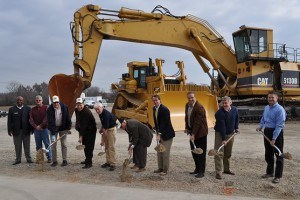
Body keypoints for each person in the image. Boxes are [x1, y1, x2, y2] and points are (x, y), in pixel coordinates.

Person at [256, 91, 286, 184]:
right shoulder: (266, 108)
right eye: (269, 97)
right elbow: (263, 119)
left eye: (272, 97)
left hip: (277, 133)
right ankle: (269, 172)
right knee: (268, 154)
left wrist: (274, 138)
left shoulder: (280, 110)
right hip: (267, 131)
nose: (270, 99)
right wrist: (261, 126)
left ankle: (278, 176)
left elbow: (279, 125)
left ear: (277, 98)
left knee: (278, 154)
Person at [214, 96, 239, 180]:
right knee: (219, 153)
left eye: (226, 103)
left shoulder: (235, 110)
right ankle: (218, 172)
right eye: (223, 103)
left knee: (228, 153)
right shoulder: (219, 113)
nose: (224, 105)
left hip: (231, 133)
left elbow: (236, 119)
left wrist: (236, 128)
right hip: (220, 134)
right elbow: (222, 127)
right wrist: (224, 139)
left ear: (230, 103)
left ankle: (226, 169)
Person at [185, 91, 208, 178]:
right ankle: (197, 169)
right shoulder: (187, 105)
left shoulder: (199, 107)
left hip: (200, 134)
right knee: (194, 152)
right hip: (192, 132)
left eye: (192, 97)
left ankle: (201, 172)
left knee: (201, 153)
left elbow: (197, 123)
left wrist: (193, 134)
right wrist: (187, 128)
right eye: (189, 98)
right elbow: (187, 117)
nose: (190, 99)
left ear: (195, 97)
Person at [152, 94, 175, 175]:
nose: (155, 102)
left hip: (167, 134)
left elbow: (164, 123)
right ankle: (160, 168)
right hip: (160, 133)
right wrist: (156, 132)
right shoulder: (154, 108)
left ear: (160, 100)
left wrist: (159, 133)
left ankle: (165, 169)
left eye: (156, 100)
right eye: (154, 100)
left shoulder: (165, 109)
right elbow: (157, 122)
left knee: (165, 152)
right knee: (159, 152)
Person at [7, 96, 33, 165]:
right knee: (17, 146)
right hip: (16, 131)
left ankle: (28, 158)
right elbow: (9, 121)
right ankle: (18, 159)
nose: (19, 101)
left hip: (26, 130)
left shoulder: (28, 109)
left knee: (27, 145)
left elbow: (30, 120)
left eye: (21, 100)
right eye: (18, 100)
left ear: (23, 101)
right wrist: (9, 130)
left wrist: (31, 129)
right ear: (16, 101)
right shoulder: (12, 109)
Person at [47, 95, 72, 167]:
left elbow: (68, 118)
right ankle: (54, 161)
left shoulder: (64, 107)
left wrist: (68, 128)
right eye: (54, 103)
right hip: (53, 129)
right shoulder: (49, 109)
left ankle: (64, 160)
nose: (56, 104)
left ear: (59, 102)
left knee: (64, 144)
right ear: (52, 103)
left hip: (63, 128)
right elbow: (50, 122)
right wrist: (53, 133)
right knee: (53, 145)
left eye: (57, 102)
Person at [94, 102, 117, 171]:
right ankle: (108, 162)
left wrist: (102, 141)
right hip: (107, 129)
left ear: (102, 107)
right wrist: (101, 129)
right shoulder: (101, 114)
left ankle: (113, 163)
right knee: (107, 147)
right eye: (96, 110)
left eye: (98, 109)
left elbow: (105, 129)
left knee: (111, 147)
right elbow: (103, 125)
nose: (97, 111)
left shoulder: (106, 114)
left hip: (111, 130)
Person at [75, 97, 97, 169]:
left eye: (80, 104)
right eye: (78, 105)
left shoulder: (86, 112)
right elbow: (78, 121)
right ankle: (87, 160)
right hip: (85, 131)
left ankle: (89, 163)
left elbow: (84, 125)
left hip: (91, 131)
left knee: (89, 147)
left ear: (83, 104)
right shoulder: (77, 110)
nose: (79, 106)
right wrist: (78, 129)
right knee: (85, 146)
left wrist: (81, 136)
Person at [29, 95, 52, 163]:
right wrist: (36, 127)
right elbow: (31, 119)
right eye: (37, 100)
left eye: (39, 100)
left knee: (47, 144)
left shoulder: (46, 108)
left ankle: (49, 157)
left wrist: (41, 126)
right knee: (38, 145)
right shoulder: (32, 109)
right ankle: (40, 158)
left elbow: (46, 118)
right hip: (36, 130)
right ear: (35, 101)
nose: (38, 101)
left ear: (42, 101)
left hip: (45, 129)